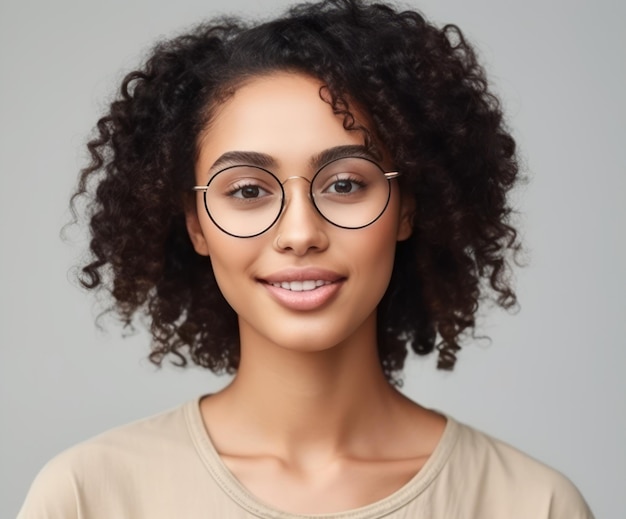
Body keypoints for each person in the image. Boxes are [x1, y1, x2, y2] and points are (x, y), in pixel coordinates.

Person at [17, 0, 594, 517]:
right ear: (196, 225)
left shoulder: (529, 503)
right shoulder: (87, 496)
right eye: (247, 190)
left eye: (344, 184)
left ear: (407, 209)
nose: (299, 234)